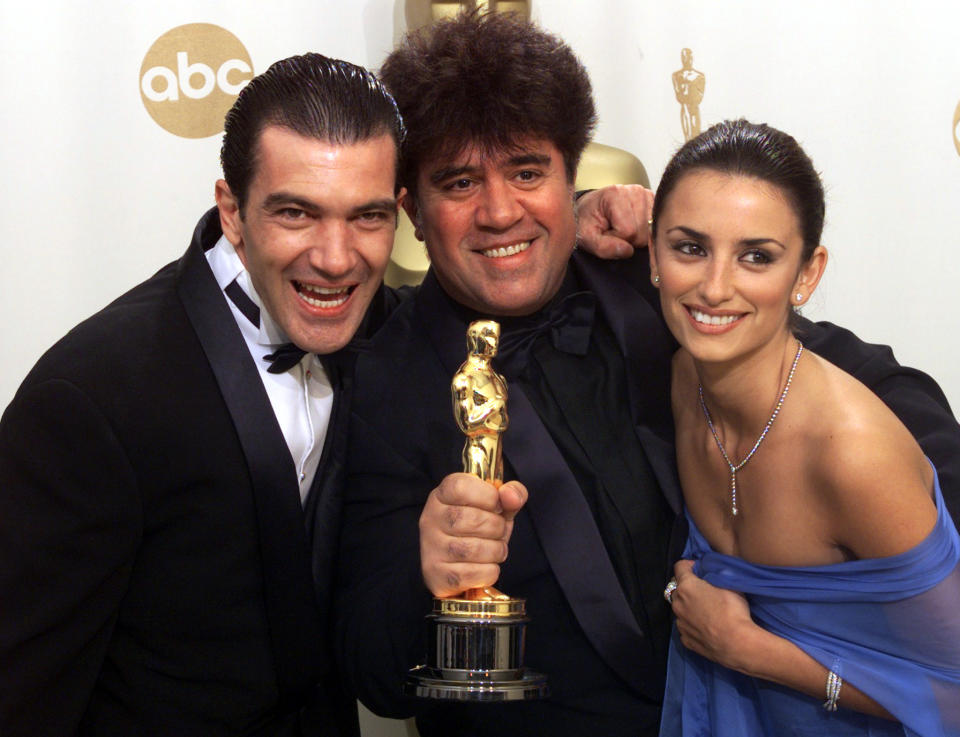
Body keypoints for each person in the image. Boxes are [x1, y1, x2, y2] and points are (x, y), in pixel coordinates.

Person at [333, 11, 960, 737]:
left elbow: (856, 376)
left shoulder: (648, 273)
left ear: (571, 178)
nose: (500, 210)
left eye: (528, 172)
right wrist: (425, 575)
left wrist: (917, 527)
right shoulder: (381, 376)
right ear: (411, 208)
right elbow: (373, 674)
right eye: (460, 182)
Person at [0, 53, 406, 735]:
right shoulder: (94, 395)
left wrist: (602, 213)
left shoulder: (389, 329)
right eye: (297, 214)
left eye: (365, 217)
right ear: (232, 212)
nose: (336, 258)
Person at [651, 120, 960, 736]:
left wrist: (753, 651)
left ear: (808, 274)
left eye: (756, 256)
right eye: (689, 247)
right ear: (652, 252)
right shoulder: (684, 380)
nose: (714, 287)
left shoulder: (851, 455)